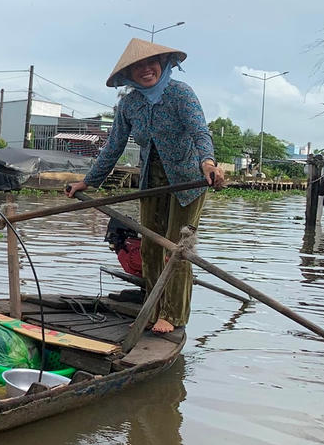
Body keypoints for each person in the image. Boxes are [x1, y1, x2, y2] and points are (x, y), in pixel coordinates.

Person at [65, 38, 224, 333]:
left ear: (163, 64)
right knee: (150, 246)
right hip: (152, 180)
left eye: (151, 63)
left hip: (188, 179)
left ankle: (173, 315)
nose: (146, 70)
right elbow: (113, 146)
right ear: (129, 74)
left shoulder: (180, 94)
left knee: (177, 248)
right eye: (138, 67)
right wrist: (87, 182)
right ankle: (154, 305)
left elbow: (200, 132)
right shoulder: (130, 104)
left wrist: (208, 164)